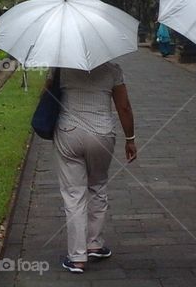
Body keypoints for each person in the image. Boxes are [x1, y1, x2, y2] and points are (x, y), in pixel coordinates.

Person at [47, 61, 137, 274]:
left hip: (68, 132)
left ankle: (77, 257)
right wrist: (130, 139)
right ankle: (94, 244)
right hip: (102, 133)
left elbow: (47, 96)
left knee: (73, 194)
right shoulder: (113, 69)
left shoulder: (60, 66)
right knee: (98, 185)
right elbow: (123, 106)